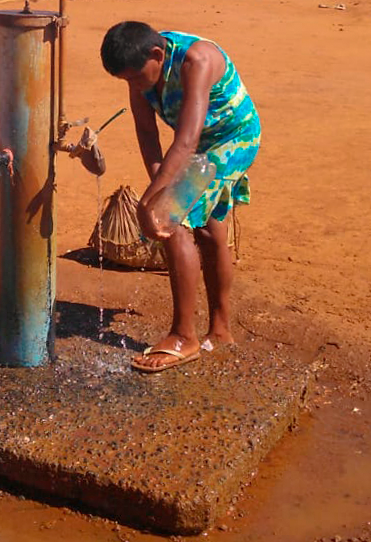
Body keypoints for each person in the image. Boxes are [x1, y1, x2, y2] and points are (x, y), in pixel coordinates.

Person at [100, 21, 261, 373]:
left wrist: (152, 203)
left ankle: (182, 336)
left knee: (173, 220)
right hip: (193, 144)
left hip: (233, 138)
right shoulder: (140, 71)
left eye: (136, 78)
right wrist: (158, 185)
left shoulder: (196, 61)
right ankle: (220, 331)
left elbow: (186, 141)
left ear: (157, 55)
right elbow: (147, 131)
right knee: (209, 229)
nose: (134, 86)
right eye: (125, 81)